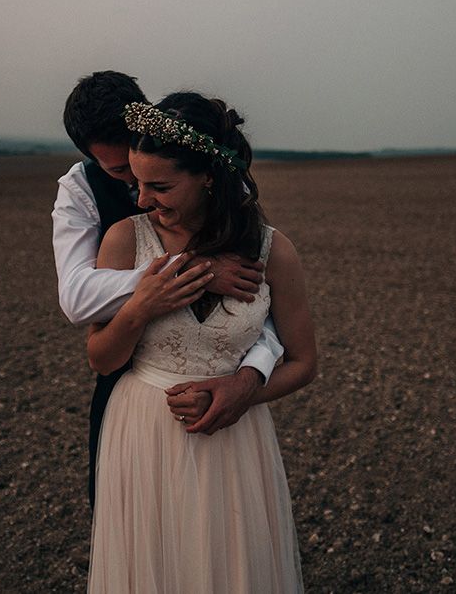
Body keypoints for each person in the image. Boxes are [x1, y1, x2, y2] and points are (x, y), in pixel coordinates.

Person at [86, 92, 316, 592]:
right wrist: (143, 303)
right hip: (142, 430)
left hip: (233, 437)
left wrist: (245, 391)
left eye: (160, 186)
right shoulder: (125, 240)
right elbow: (101, 358)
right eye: (138, 182)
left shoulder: (273, 251)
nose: (142, 199)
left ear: (208, 176)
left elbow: (303, 361)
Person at [52, 72, 285, 508]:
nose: (138, 191)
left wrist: (249, 379)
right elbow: (77, 297)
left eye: (154, 179)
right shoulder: (80, 191)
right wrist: (191, 271)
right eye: (121, 170)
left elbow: (260, 303)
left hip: (225, 383)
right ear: (89, 157)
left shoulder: (211, 176)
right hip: (130, 378)